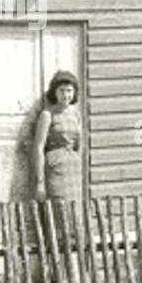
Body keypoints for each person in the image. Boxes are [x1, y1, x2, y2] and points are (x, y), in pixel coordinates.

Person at [33, 70, 83, 205]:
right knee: (58, 207)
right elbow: (38, 147)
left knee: (75, 209)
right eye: (61, 90)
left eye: (69, 90)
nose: (66, 95)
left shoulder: (75, 115)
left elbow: (79, 145)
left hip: (73, 169)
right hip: (55, 168)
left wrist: (76, 160)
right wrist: (40, 183)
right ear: (55, 92)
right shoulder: (47, 115)